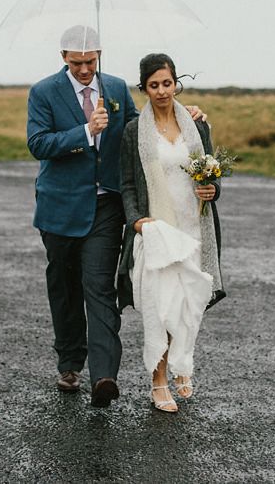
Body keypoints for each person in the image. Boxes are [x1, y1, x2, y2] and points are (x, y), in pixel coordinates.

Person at [27, 26, 205, 408]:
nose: (86, 69)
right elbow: (37, 143)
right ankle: (70, 362)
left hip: (106, 207)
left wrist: (184, 114)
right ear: (64, 59)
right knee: (64, 287)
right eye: (77, 63)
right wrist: (84, 131)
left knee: (99, 287)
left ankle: (104, 377)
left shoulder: (116, 89)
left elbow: (140, 133)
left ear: (99, 55)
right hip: (59, 207)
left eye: (91, 61)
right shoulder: (43, 92)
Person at [118, 53, 225, 412]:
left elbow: (211, 177)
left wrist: (213, 190)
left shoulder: (197, 124)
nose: (162, 91)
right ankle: (159, 380)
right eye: (154, 85)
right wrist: (136, 221)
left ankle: (182, 365)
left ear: (176, 82)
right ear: (144, 89)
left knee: (191, 302)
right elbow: (128, 184)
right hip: (160, 229)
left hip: (194, 224)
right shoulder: (135, 130)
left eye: (168, 83)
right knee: (162, 307)